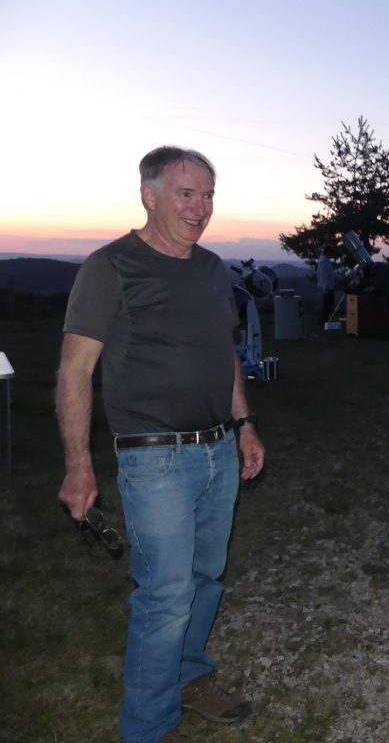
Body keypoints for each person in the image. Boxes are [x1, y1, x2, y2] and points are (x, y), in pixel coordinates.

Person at [56, 146, 265, 743]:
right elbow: (75, 370)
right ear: (149, 195)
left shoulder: (209, 269)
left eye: (208, 195)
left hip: (218, 450)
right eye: (186, 193)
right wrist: (79, 465)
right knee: (165, 594)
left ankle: (189, 676)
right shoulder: (111, 266)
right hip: (154, 458)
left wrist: (245, 424)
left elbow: (223, 352)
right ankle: (149, 727)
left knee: (205, 577)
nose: (201, 208)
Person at [316, 248, 337, 324]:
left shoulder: (324, 260)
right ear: (329, 253)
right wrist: (326, 288)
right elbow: (324, 276)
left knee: (328, 305)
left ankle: (324, 321)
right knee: (327, 305)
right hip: (328, 287)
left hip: (328, 286)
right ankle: (322, 322)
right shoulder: (324, 262)